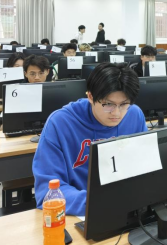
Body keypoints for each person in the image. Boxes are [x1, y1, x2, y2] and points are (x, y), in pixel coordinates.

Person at [33, 63, 146, 215]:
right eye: (108, 104)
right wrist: (99, 203)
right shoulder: (60, 123)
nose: (117, 113)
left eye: (124, 104)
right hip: (82, 214)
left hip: (127, 208)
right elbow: (47, 192)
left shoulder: (134, 114)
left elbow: (146, 169)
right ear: (91, 97)